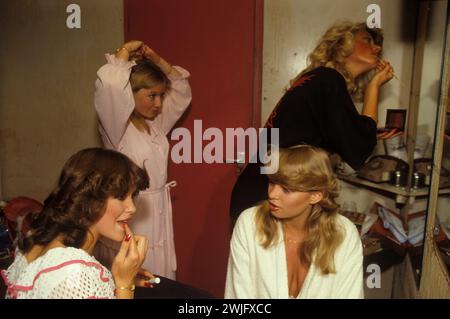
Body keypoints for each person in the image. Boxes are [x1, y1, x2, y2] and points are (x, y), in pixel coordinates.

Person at [230, 21, 397, 220]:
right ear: (342, 46)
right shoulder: (330, 79)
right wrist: (374, 86)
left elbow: (329, 136)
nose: (377, 48)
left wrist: (364, 130)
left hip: (260, 192)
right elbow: (360, 147)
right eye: (367, 40)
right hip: (269, 199)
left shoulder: (317, 79)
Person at [94, 40, 192, 279]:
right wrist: (124, 52)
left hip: (158, 215)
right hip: (131, 216)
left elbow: (181, 89)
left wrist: (156, 58)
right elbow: (109, 84)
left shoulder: (155, 125)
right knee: (136, 277)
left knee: (160, 279)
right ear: (130, 94)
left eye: (160, 95)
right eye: (151, 96)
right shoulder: (116, 129)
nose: (159, 104)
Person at [1, 148, 152, 299]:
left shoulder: (36, 241)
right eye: (120, 196)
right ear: (89, 200)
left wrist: (114, 281)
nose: (132, 208)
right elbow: (71, 284)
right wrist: (124, 284)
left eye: (133, 196)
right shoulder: (75, 273)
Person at [225, 145, 364, 298]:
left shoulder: (344, 234)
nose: (272, 194)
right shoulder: (250, 223)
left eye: (287, 189)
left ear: (315, 196)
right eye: (272, 182)